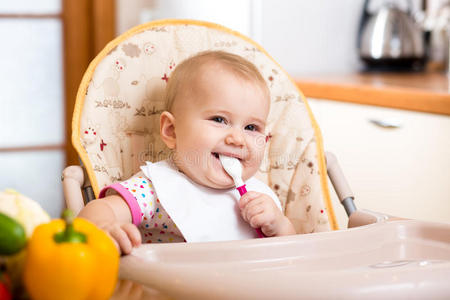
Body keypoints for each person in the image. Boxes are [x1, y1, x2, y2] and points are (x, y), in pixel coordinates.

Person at [79, 50, 296, 254]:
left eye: (251, 128)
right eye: (219, 120)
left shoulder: (260, 197)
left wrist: (279, 226)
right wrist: (103, 227)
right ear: (171, 131)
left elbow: (291, 254)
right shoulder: (156, 189)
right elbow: (101, 209)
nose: (238, 139)